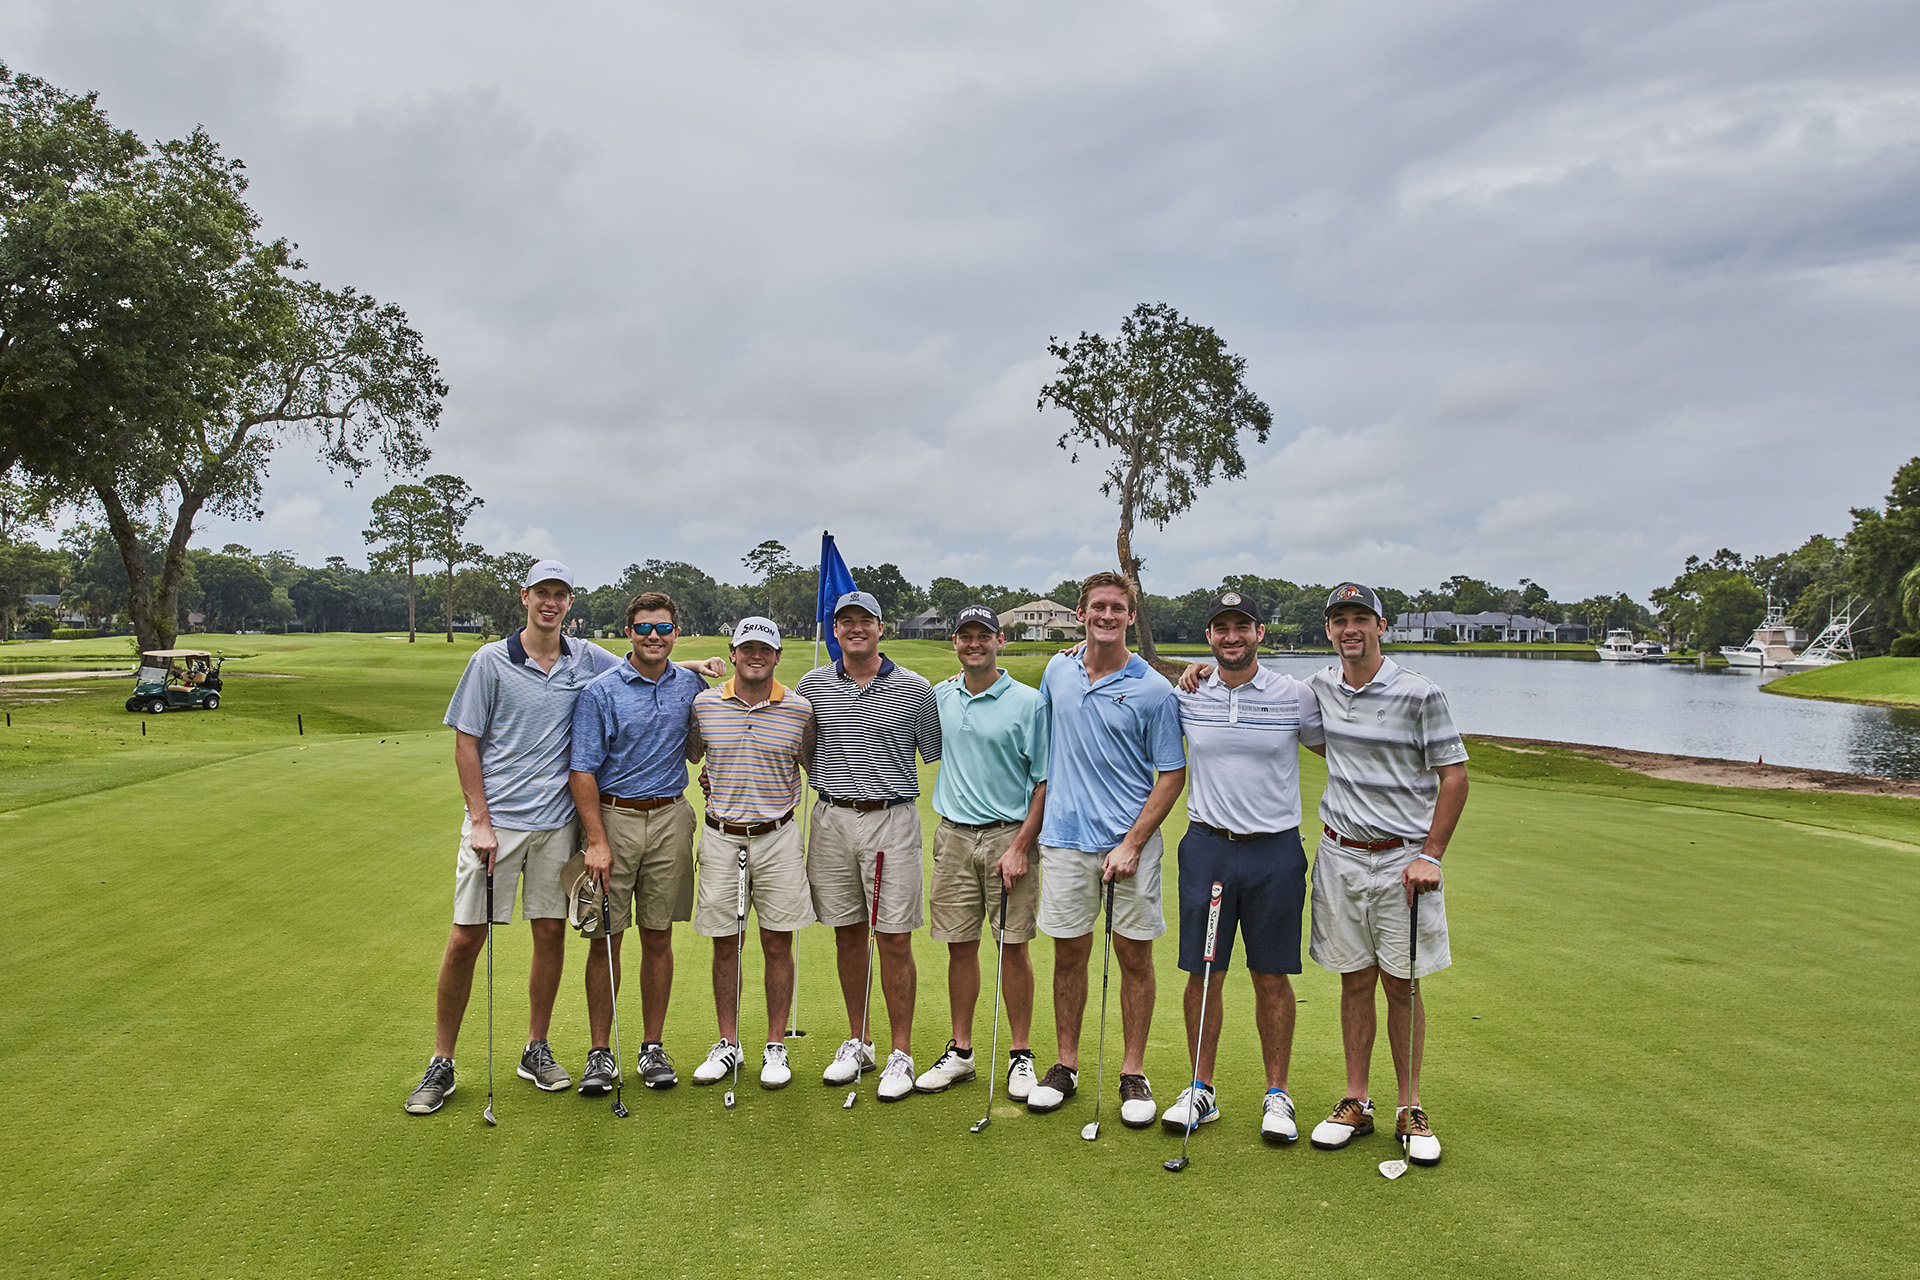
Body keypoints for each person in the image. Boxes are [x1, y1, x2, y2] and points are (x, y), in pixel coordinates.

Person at [405, 560, 622, 1115]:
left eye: (560, 594)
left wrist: (694, 665)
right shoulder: (491, 661)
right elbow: (466, 742)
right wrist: (479, 820)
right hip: (496, 826)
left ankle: (535, 1047)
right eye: (541, 592)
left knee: (549, 935)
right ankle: (442, 1060)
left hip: (556, 825)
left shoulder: (584, 658)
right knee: (465, 938)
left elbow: (636, 669)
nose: (550, 602)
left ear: (570, 602)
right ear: (525, 597)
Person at [1303, 583, 1468, 1166]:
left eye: (1361, 618)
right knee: (1354, 980)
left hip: (1403, 862)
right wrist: (1197, 671)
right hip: (1340, 856)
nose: (1350, 628)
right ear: (1329, 630)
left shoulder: (1420, 692)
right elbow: (1255, 683)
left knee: (1402, 983)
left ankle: (1409, 1105)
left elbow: (1454, 776)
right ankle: (1356, 1100)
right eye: (1339, 620)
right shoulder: (1319, 687)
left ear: (1382, 626)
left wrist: (1432, 854)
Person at [1157, 593, 1323, 1144]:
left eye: (1242, 627)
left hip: (1275, 852)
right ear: (1209, 637)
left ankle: (1277, 1094)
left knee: (1271, 975)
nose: (1232, 637)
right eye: (1221, 628)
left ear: (1259, 633)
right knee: (1203, 972)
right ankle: (1200, 1089)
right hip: (1208, 848)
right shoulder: (1188, 692)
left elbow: (1342, 748)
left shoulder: (1294, 695)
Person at [1025, 571, 1186, 1128]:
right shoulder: (1058, 670)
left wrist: (1132, 843)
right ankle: (1066, 1065)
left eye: (1118, 608)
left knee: (1134, 958)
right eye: (1098, 607)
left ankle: (1133, 1071)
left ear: (1131, 617)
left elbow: (1172, 774)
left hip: (1128, 848)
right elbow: (1042, 733)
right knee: (1069, 954)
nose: (1107, 616)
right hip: (1065, 841)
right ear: (1081, 614)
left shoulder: (1155, 690)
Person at [796, 590, 942, 1102]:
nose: (855, 628)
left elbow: (934, 752)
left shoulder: (916, 688)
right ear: (834, 630)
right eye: (846, 621)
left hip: (891, 818)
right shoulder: (812, 685)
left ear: (882, 628)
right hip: (832, 817)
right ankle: (859, 1041)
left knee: (894, 937)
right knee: (848, 934)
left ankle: (901, 1052)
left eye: (866, 620)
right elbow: (798, 751)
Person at [567, 591, 708, 1096]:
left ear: (676, 634)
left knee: (658, 935)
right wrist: (596, 841)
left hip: (671, 816)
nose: (654, 636)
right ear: (628, 632)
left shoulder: (691, 685)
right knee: (605, 937)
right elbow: (582, 771)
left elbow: (701, 746)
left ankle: (652, 1047)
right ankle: (599, 1052)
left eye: (663, 628)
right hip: (613, 818)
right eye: (644, 627)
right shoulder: (600, 692)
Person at [912, 604, 1049, 1100]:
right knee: (960, 944)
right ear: (954, 642)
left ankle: (1020, 1054)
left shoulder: (1030, 703)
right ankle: (962, 1052)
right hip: (953, 836)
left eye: (983, 635)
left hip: (1007, 837)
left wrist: (1021, 846)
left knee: (1012, 945)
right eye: (965, 636)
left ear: (999, 641)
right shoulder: (941, 695)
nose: (974, 644)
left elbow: (1043, 783)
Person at [684, 617, 818, 1089]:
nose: (756, 656)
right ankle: (729, 1043)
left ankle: (775, 1045)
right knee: (726, 942)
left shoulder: (800, 711)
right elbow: (696, 756)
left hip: (777, 835)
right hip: (722, 836)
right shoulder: (704, 704)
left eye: (765, 649)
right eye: (747, 648)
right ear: (733, 653)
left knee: (778, 942)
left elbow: (813, 766)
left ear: (777, 656)